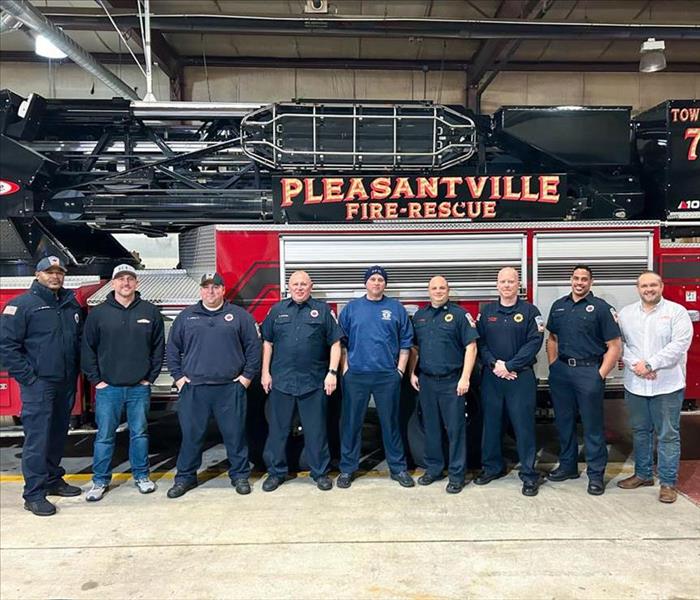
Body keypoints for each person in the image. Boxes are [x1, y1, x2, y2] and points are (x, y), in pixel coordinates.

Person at [165, 272, 261, 498]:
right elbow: (172, 350)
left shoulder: (239, 316)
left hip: (230, 388)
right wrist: (179, 378)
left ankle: (239, 476)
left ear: (223, 290)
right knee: (191, 436)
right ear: (200, 290)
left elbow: (253, 349)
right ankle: (185, 478)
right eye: (207, 287)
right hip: (194, 389)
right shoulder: (186, 317)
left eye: (216, 287)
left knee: (235, 435)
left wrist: (246, 378)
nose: (211, 291)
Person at [0, 256, 83, 516]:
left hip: (65, 382)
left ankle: (52, 479)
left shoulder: (71, 305)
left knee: (58, 434)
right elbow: (6, 347)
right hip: (39, 384)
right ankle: (34, 493)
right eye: (49, 272)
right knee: (37, 438)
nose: (55, 276)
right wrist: (29, 378)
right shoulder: (21, 305)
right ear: (37, 275)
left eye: (59, 272)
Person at [81, 264, 165, 502]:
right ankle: (99, 481)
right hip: (109, 389)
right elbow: (87, 349)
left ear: (136, 283)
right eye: (120, 279)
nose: (125, 283)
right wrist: (97, 381)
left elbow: (159, 348)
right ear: (113, 283)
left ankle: (141, 476)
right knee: (105, 436)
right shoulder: (99, 314)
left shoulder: (149, 312)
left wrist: (150, 377)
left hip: (139, 388)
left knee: (139, 434)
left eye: (130, 278)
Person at [260, 271, 343, 491]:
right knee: (278, 430)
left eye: (303, 284)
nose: (299, 288)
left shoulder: (323, 311)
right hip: (282, 381)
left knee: (316, 431)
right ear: (289, 286)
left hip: (313, 383)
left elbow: (336, 343)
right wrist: (264, 373)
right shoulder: (277, 310)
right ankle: (276, 473)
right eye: (295, 284)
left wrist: (332, 373)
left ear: (311, 286)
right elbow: (267, 342)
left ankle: (320, 473)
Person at [617, 271, 693, 503]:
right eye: (644, 286)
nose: (648, 289)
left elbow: (679, 344)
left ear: (661, 286)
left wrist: (651, 364)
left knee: (668, 435)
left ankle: (668, 482)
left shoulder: (676, 312)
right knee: (640, 432)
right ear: (637, 288)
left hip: (667, 385)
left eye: (653, 285)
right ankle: (643, 474)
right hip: (636, 384)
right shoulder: (626, 314)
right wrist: (636, 366)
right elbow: (621, 344)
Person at [546, 265, 621, 495]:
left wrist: (599, 375)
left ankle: (596, 474)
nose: (579, 282)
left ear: (591, 282)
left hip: (589, 372)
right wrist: (553, 366)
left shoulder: (601, 308)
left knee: (592, 426)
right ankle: (568, 466)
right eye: (576, 278)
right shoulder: (559, 306)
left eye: (584, 279)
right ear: (571, 280)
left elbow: (614, 346)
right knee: (564, 422)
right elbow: (552, 339)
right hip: (562, 373)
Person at [337, 266, 415, 488]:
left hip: (386, 377)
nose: (377, 283)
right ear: (365, 283)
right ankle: (347, 469)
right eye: (373, 279)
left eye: (381, 279)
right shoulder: (352, 309)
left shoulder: (395, 308)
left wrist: (399, 371)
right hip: (357, 376)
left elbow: (406, 343)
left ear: (385, 284)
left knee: (391, 424)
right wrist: (345, 370)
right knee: (352, 424)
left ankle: (398, 469)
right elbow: (341, 343)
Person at [475, 267, 544, 496]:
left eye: (511, 281)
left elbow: (534, 342)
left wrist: (510, 366)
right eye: (502, 281)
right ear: (497, 285)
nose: (506, 285)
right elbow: (480, 343)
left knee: (523, 427)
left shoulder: (530, 312)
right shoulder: (486, 312)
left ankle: (529, 474)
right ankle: (491, 468)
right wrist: (495, 365)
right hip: (492, 377)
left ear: (519, 285)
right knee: (491, 425)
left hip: (520, 378)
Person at [409, 276, 478, 494]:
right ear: (428, 291)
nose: (438, 291)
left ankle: (457, 475)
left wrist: (465, 378)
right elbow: (415, 349)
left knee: (456, 430)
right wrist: (412, 372)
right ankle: (434, 469)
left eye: (442, 288)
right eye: (434, 288)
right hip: (427, 382)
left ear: (448, 290)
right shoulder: (420, 316)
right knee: (431, 428)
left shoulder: (459, 315)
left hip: (452, 382)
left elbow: (471, 347)